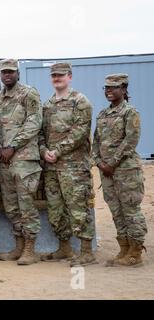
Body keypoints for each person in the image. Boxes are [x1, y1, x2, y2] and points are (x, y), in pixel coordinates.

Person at [39, 62, 97, 267]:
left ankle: (87, 251)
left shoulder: (80, 101)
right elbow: (40, 133)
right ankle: (64, 248)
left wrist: (58, 150)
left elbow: (80, 132)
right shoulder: (47, 105)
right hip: (52, 167)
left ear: (70, 76)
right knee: (55, 210)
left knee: (78, 208)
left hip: (74, 167)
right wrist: (44, 150)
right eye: (54, 75)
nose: (57, 78)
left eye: (61, 75)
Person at [92, 73, 147, 267]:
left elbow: (131, 140)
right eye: (106, 88)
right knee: (116, 210)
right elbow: (96, 142)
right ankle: (123, 248)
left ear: (124, 89)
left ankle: (136, 251)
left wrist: (112, 163)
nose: (109, 91)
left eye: (113, 87)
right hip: (106, 172)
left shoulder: (130, 112)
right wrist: (99, 162)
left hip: (126, 171)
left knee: (130, 210)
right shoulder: (102, 114)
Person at [0, 59, 43, 265]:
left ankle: (30, 248)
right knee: (11, 205)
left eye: (11, 72)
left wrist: (13, 145)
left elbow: (34, 122)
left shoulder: (29, 93)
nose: (7, 75)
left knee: (26, 203)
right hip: (4, 160)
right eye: (4, 72)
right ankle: (19, 245)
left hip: (23, 159)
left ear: (18, 74)